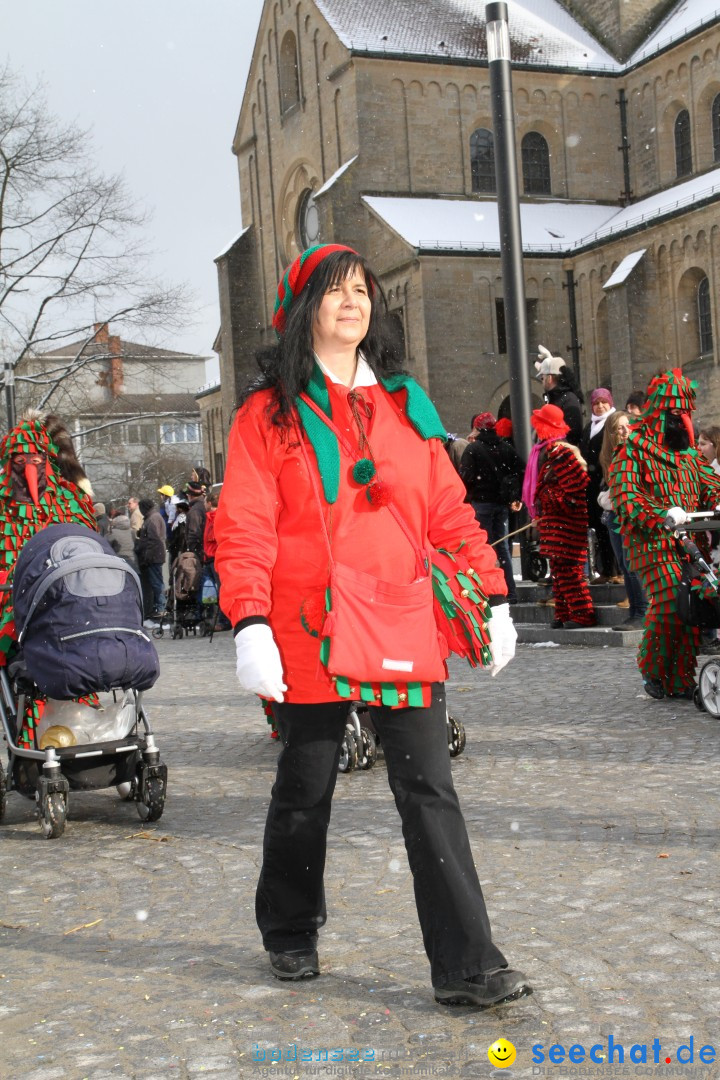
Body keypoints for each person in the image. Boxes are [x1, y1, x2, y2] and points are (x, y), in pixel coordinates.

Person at [214, 242, 530, 1009]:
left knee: (430, 789)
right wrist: (249, 620)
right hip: (309, 628)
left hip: (400, 618)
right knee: (305, 785)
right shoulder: (267, 416)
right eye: (334, 291)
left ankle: (468, 967)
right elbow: (246, 524)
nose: (353, 303)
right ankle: (289, 928)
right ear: (304, 308)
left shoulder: (404, 401)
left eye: (362, 291)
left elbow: (449, 511)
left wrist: (491, 599)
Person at [608, 368, 720, 699]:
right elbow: (627, 500)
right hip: (652, 542)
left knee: (689, 606)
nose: (682, 420)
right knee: (671, 598)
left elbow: (711, 488)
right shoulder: (633, 451)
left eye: (685, 413)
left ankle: (680, 678)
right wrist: (662, 514)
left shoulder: (690, 458)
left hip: (690, 541)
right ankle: (656, 672)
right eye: (675, 413)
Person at [0, 411, 96, 748]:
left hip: (71, 607)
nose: (28, 466)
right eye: (20, 459)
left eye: (35, 459)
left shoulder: (69, 501)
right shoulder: (3, 507)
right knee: (25, 663)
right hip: (16, 613)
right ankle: (30, 737)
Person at [523, 403, 596, 629]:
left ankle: (583, 614)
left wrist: (547, 496)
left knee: (569, 571)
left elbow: (574, 493)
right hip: (556, 524)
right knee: (558, 570)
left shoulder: (562, 454)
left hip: (567, 525)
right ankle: (564, 612)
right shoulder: (551, 455)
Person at [459, 412, 525, 604]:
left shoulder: (473, 449)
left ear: (478, 429)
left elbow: (465, 477)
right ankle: (510, 591)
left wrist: (468, 496)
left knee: (483, 547)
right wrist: (514, 495)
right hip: (501, 504)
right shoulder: (506, 447)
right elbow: (521, 470)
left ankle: (490, 592)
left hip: (481, 503)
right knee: (503, 548)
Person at [597, 412, 647, 631]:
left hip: (631, 513)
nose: (625, 431)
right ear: (611, 433)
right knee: (625, 564)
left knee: (632, 563)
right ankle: (635, 611)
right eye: (619, 428)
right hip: (615, 514)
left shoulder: (637, 451)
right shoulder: (609, 456)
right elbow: (607, 485)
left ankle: (642, 612)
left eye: (628, 426)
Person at [579, 388, 619, 584]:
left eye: (604, 402)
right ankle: (607, 570)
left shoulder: (613, 424)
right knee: (600, 527)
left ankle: (617, 570)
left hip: (606, 481)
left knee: (611, 525)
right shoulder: (590, 426)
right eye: (596, 403)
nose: (600, 406)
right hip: (592, 485)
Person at [534, 345, 584, 446]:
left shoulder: (568, 399)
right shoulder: (559, 398)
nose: (542, 382)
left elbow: (572, 435)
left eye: (542, 378)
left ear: (549, 378)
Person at [134, 498, 167, 620]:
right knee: (156, 582)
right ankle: (159, 606)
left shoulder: (152, 519)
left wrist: (147, 555)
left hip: (153, 557)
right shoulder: (154, 517)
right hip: (155, 555)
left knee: (156, 583)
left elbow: (154, 540)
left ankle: (161, 608)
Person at [107, 508, 139, 572]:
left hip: (119, 564)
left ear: (114, 521)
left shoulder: (112, 533)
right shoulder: (132, 531)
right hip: (133, 562)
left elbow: (106, 547)